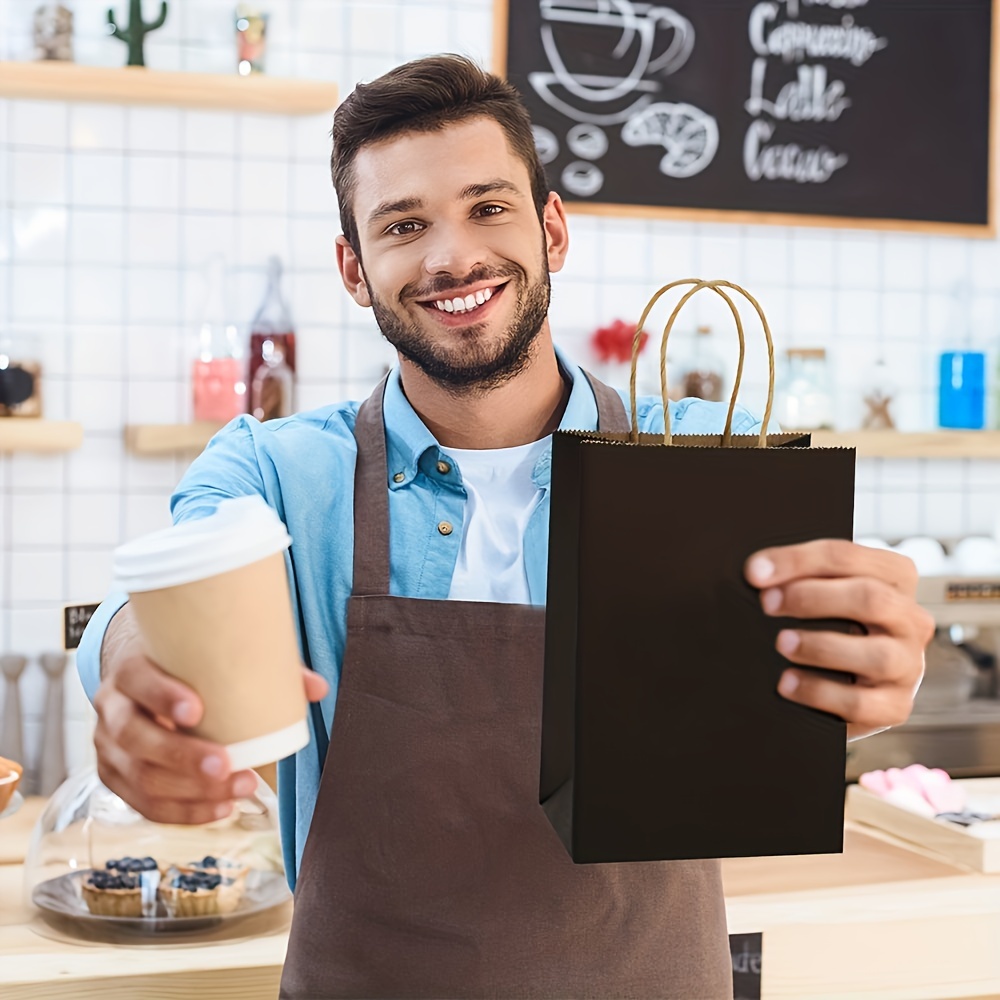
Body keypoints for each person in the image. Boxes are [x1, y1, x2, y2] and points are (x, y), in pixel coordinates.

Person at [78, 54, 932, 999]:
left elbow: (806, 659)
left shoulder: (701, 457)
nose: (452, 256)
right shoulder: (277, 470)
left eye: (489, 207)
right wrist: (130, 674)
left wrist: (871, 657)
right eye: (405, 226)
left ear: (552, 229)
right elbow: (154, 594)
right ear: (354, 270)